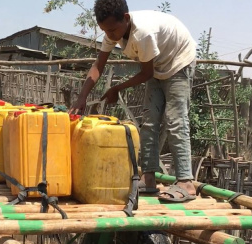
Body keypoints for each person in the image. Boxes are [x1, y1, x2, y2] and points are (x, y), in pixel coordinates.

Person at [69, 0, 197, 202]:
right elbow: (98, 66)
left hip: (178, 60)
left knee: (175, 120)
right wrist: (82, 97)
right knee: (149, 122)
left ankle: (186, 183)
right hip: (157, 65)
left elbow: (146, 73)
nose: (109, 35)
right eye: (105, 31)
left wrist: (116, 88)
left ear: (126, 18)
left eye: (112, 30)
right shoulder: (113, 30)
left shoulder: (143, 33)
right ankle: (148, 177)